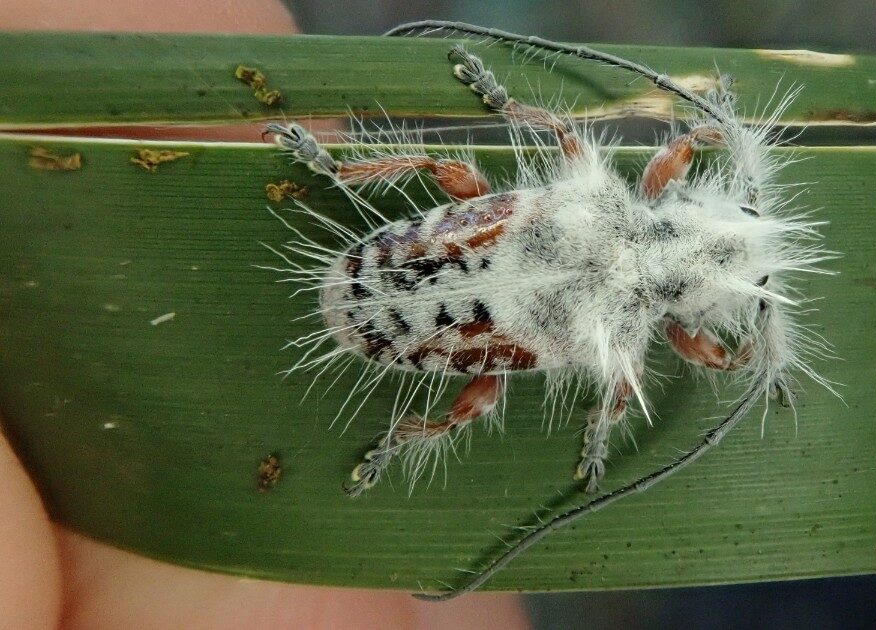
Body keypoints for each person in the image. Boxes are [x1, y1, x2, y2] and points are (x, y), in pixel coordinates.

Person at [0, 2, 531, 627]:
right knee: (473, 404)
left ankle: (334, 168)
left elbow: (563, 137)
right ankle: (394, 439)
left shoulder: (595, 221)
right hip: (401, 311)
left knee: (449, 176)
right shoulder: (610, 342)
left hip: (398, 288)